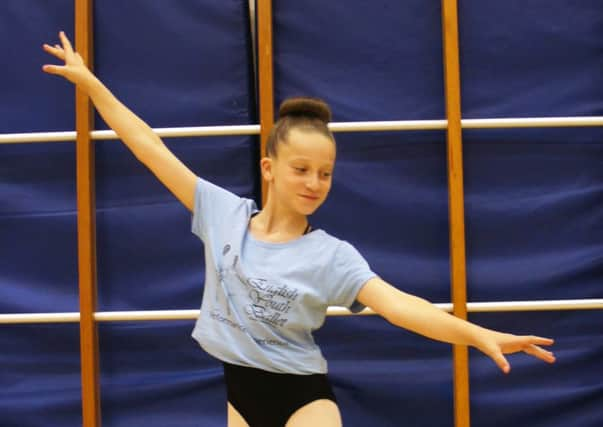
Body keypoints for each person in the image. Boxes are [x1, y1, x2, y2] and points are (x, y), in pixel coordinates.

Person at [43, 31, 556, 427]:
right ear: (269, 168)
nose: (315, 182)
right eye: (301, 168)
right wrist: (89, 83)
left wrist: (477, 335)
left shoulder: (332, 256)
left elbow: (402, 307)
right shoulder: (222, 213)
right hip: (239, 396)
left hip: (303, 399)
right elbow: (150, 148)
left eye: (326, 173)